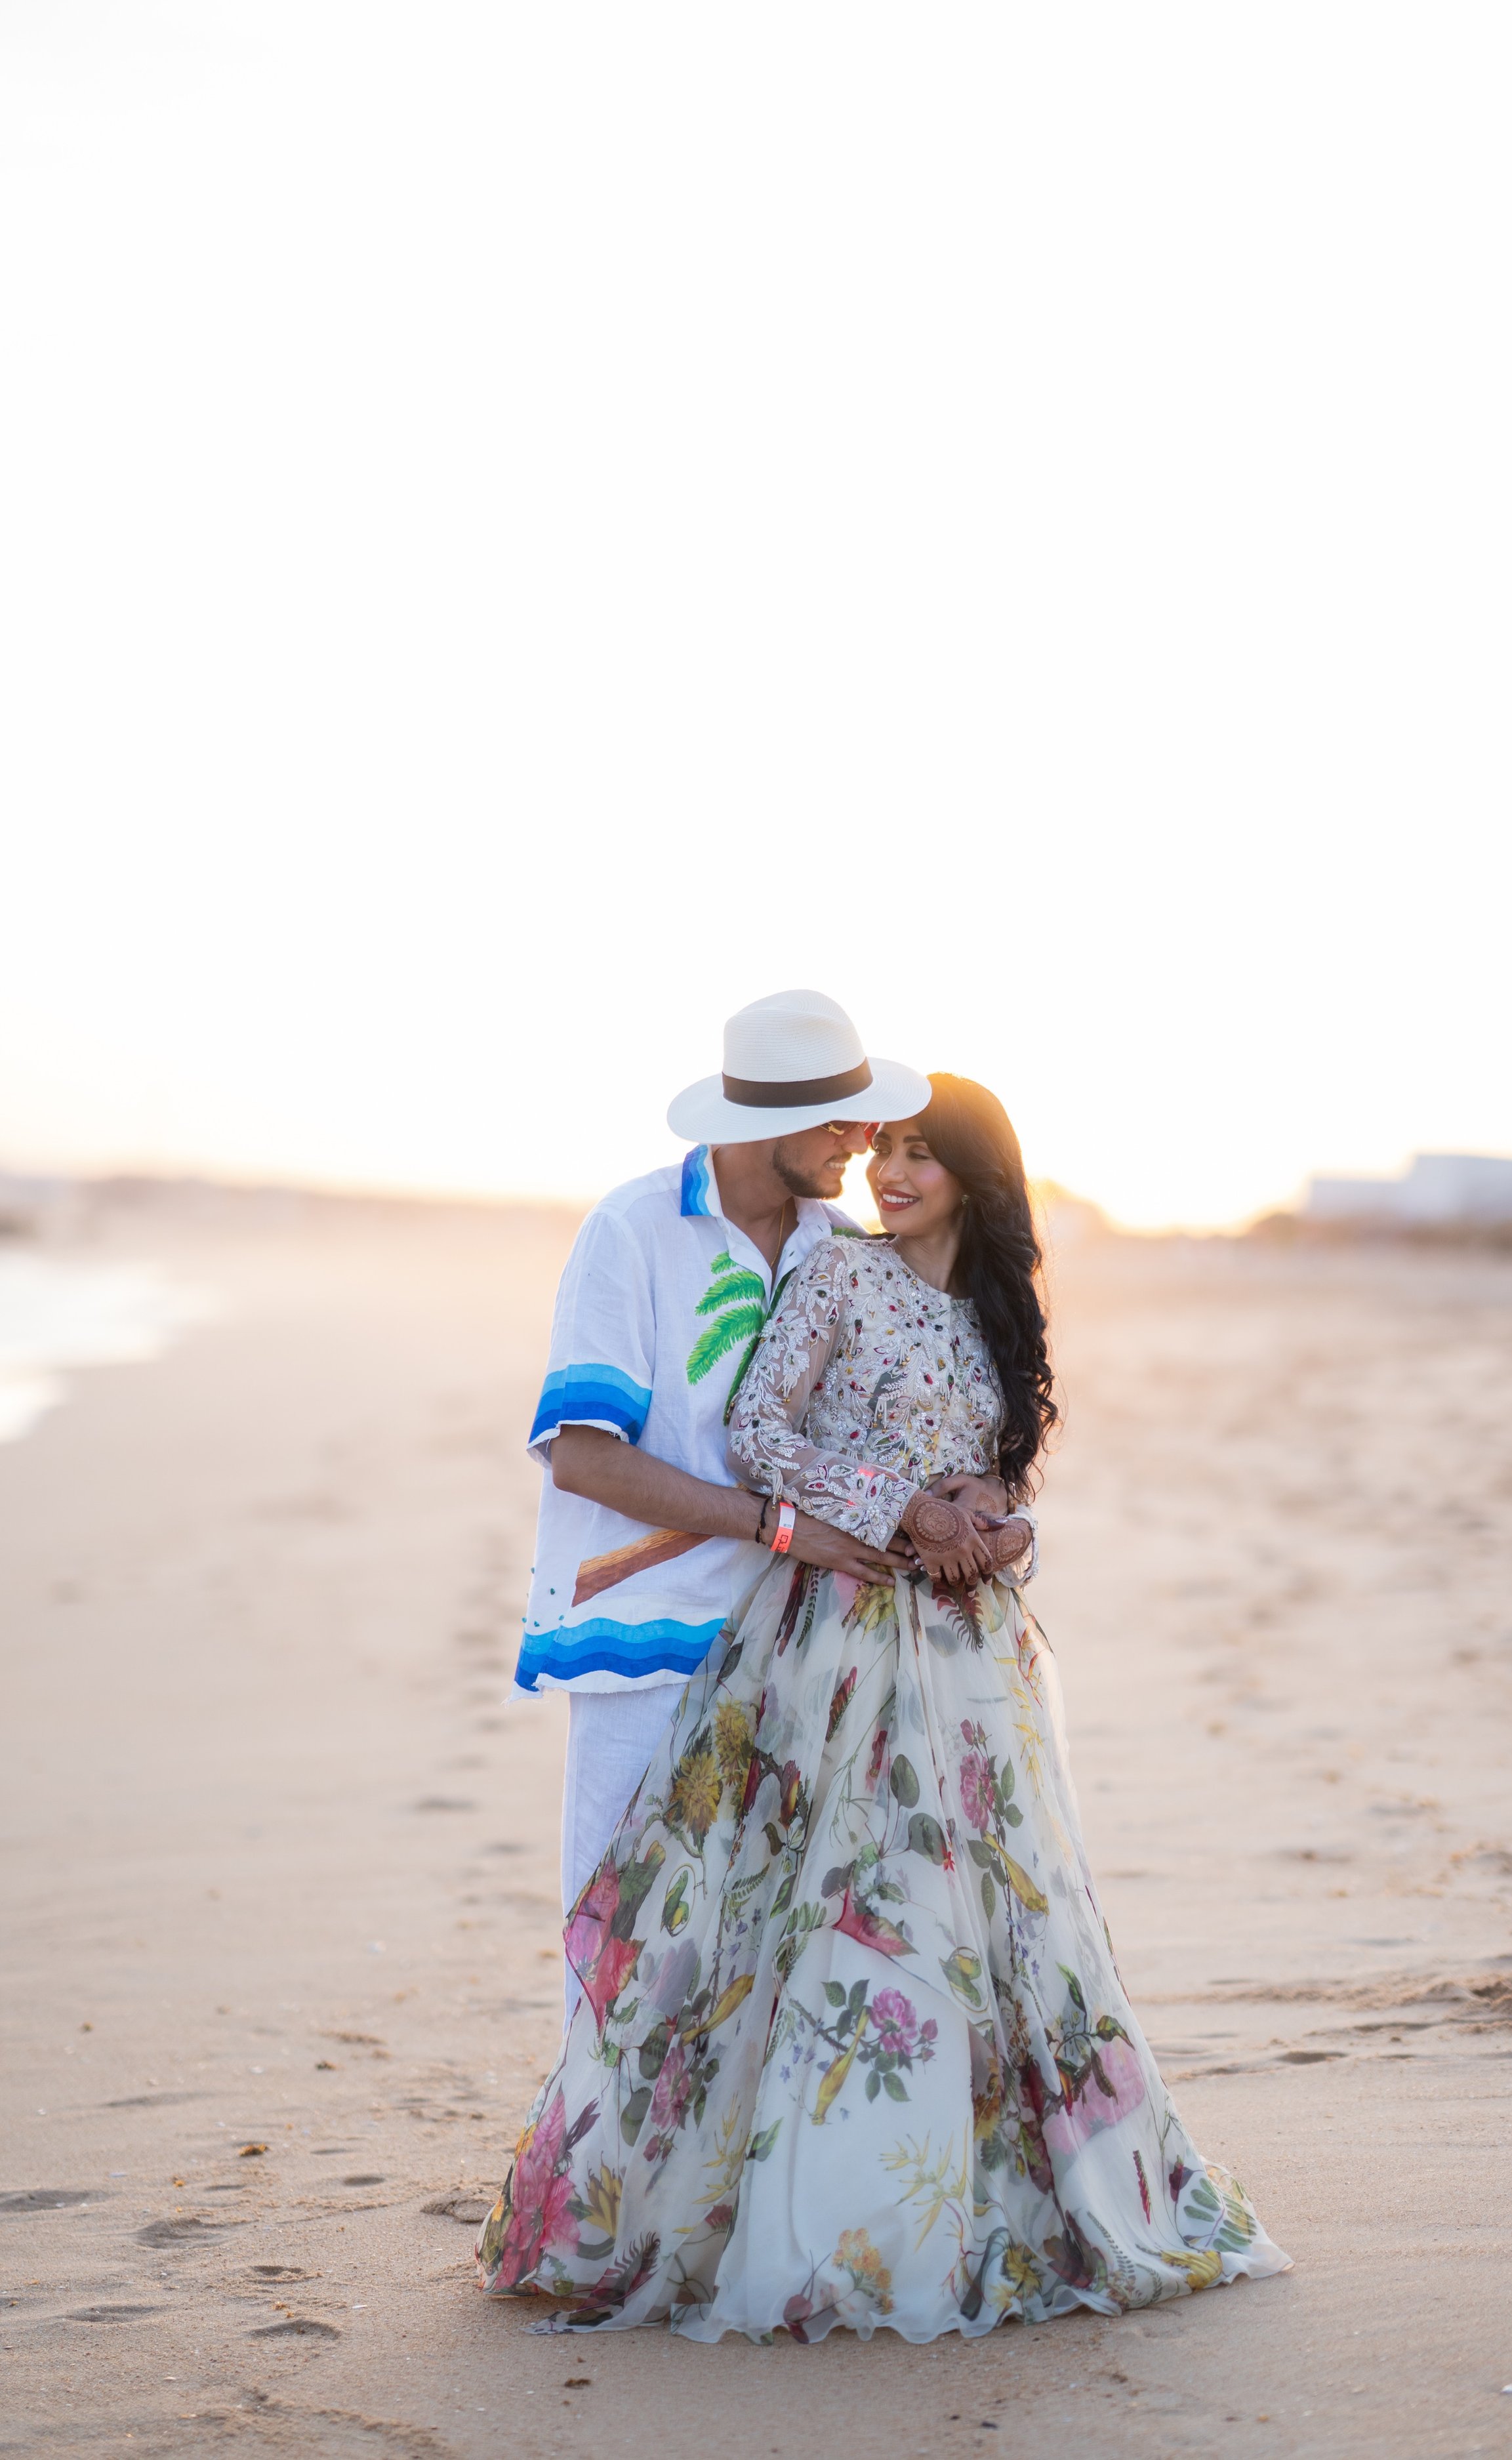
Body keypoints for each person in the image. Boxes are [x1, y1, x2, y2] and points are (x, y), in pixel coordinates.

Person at [479, 1074, 1290, 2338]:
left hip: (965, 1661)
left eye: (920, 1152)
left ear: (977, 1177)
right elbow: (757, 1431)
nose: (886, 1167)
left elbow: (1000, 1475)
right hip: (825, 1635)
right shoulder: (825, 1267)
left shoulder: (979, 1306)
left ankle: (955, 2195)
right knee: (783, 1912)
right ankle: (705, 2204)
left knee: (977, 1919)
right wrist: (902, 1506)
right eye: (880, 1146)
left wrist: (997, 1524)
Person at [512, 989, 1006, 2017]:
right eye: (842, 1123)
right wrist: (780, 1526)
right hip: (646, 1634)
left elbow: (895, 1430)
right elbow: (584, 1458)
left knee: (757, 1958)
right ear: (768, 1122)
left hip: (795, 1644)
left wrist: (981, 1495)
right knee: (623, 1945)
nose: (863, 1143)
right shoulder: (634, 1229)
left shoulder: (839, 1246)